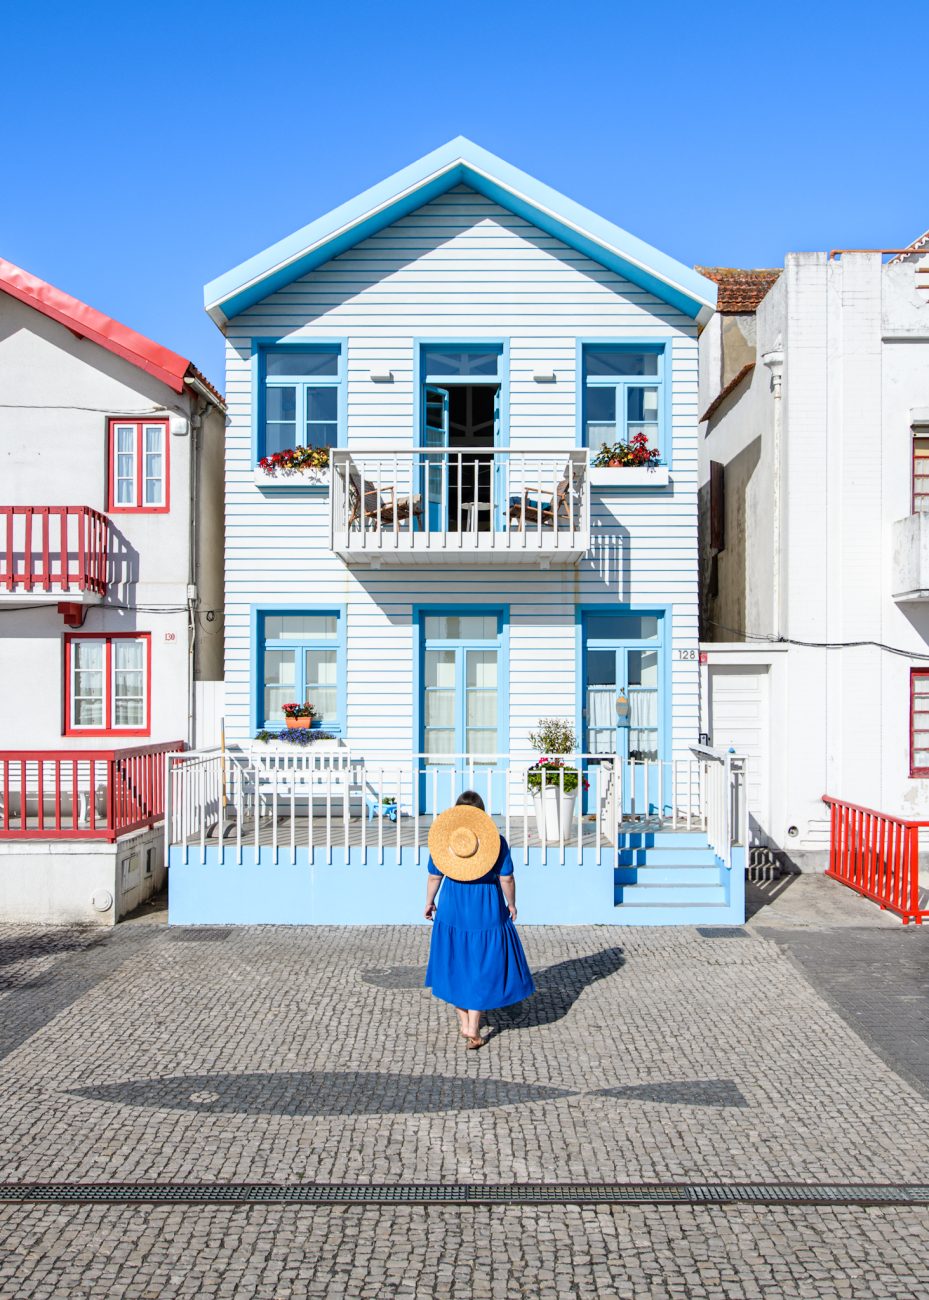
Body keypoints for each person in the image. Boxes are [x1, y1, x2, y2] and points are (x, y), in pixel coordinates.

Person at [424, 790, 534, 1050]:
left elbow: (433, 877)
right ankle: (473, 1025)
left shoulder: (445, 841)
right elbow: (507, 878)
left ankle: (465, 1022)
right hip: (485, 907)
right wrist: (512, 903)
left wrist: (429, 902)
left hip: (453, 904)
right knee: (481, 962)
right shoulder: (496, 842)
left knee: (456, 960)